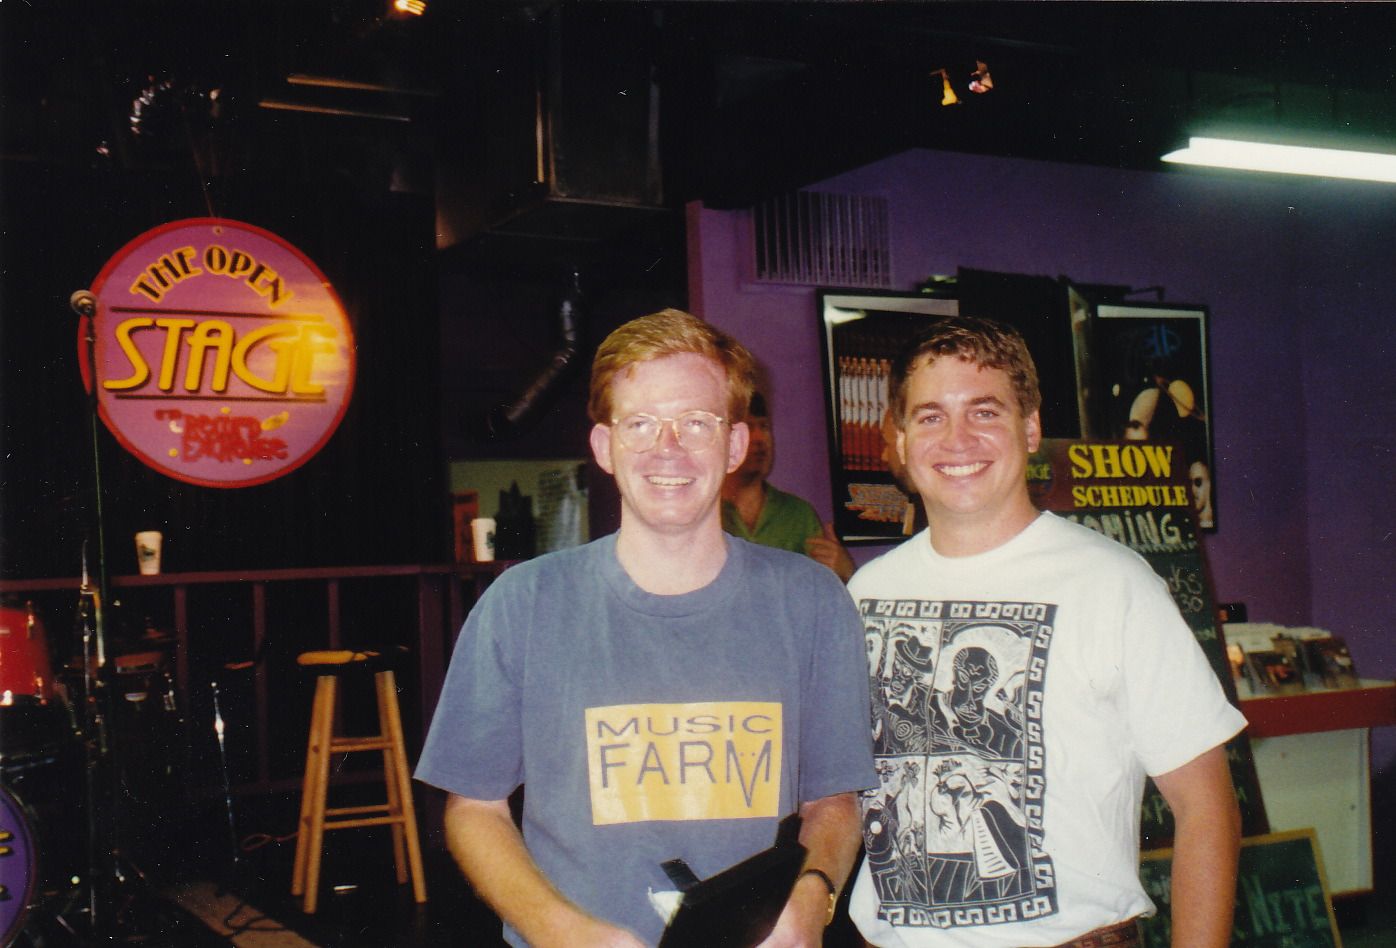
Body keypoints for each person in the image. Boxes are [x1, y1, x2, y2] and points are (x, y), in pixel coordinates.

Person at [416, 308, 876, 948]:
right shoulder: (521, 604)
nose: (669, 448)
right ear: (604, 447)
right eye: (641, 424)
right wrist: (561, 931)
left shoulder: (814, 601)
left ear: (735, 444)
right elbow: (473, 809)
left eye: (696, 422)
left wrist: (811, 896)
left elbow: (834, 801)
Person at [848, 316, 1245, 947]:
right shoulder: (866, 593)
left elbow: (1207, 808)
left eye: (984, 412)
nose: (957, 439)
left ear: (1030, 429)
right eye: (930, 417)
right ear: (898, 439)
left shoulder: (1113, 584)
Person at [722, 391, 855, 581]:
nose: (760, 438)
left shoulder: (799, 514)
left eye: (764, 426)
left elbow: (820, 587)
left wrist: (844, 573)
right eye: (749, 427)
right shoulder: (707, 514)